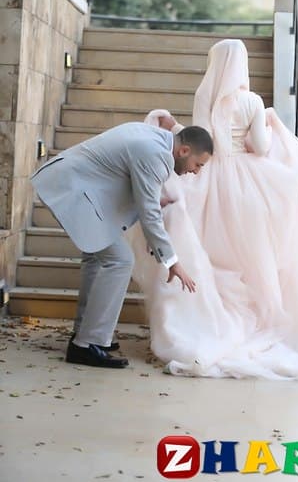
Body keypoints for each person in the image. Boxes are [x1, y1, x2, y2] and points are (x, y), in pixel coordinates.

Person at [130, 39, 298, 379]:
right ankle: (260, 324)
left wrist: (176, 128)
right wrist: (266, 124)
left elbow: (202, 140)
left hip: (210, 180)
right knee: (254, 260)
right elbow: (261, 147)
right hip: (251, 185)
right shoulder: (253, 101)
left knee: (211, 254)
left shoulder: (205, 95)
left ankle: (209, 324)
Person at [30, 122, 213, 368]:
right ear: (184, 151)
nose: (196, 171)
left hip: (71, 184)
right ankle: (87, 344)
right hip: (72, 189)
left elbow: (131, 181)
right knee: (120, 260)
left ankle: (86, 334)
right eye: (198, 165)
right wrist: (172, 261)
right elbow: (148, 213)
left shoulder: (155, 140)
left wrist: (154, 201)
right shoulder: (156, 154)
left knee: (98, 258)